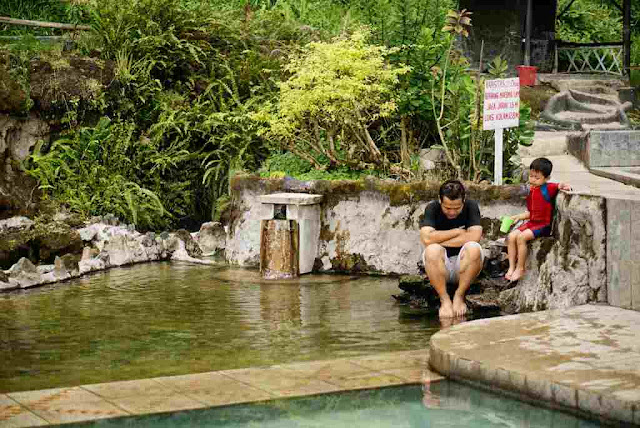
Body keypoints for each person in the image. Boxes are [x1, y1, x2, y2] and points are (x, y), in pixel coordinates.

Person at [419, 180, 484, 319]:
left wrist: (438, 238)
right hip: (442, 265)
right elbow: (426, 239)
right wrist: (456, 232)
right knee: (432, 250)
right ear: (440, 201)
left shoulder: (471, 206)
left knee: (474, 248)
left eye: (457, 208)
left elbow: (475, 237)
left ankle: (459, 295)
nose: (452, 212)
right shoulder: (432, 208)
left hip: (465, 264)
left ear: (464, 201)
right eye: (447, 208)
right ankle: (444, 299)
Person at [505, 157, 571, 281]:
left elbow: (559, 185)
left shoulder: (548, 188)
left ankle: (520, 268)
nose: (533, 180)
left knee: (521, 237)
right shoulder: (531, 192)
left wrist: (565, 186)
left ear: (546, 178)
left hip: (543, 225)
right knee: (511, 236)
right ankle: (511, 267)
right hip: (532, 223)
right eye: (531, 176)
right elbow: (531, 213)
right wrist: (516, 217)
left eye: (537, 177)